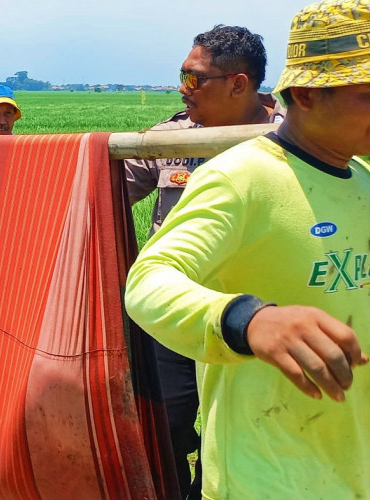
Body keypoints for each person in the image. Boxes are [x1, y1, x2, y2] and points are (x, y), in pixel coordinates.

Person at [125, 0, 370, 497]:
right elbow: (149, 281)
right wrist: (248, 320)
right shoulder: (242, 178)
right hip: (261, 476)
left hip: (362, 474)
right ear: (306, 94)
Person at [124, 25, 284, 499]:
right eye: (182, 76)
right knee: (164, 423)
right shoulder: (169, 138)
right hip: (178, 312)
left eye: (194, 79)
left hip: (258, 317)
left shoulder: (290, 140)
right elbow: (99, 189)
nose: (182, 88)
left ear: (239, 83)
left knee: (247, 431)